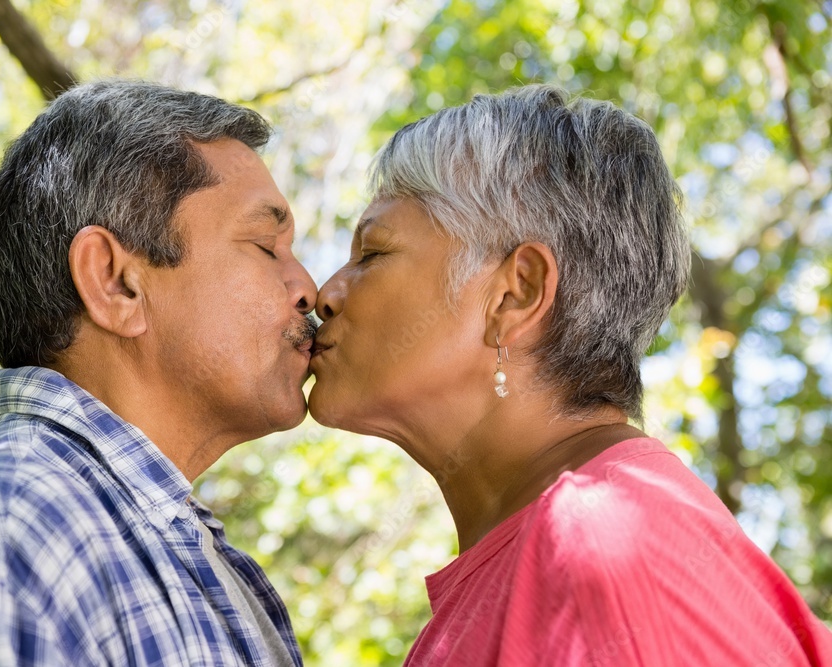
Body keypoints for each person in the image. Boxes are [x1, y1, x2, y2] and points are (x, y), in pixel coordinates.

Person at [308, 84, 832, 665]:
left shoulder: (604, 552)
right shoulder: (562, 549)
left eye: (372, 254)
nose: (325, 294)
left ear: (515, 294)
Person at [0, 80, 317, 666]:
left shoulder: (172, 547)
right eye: (267, 246)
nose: (307, 290)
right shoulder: (14, 528)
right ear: (115, 283)